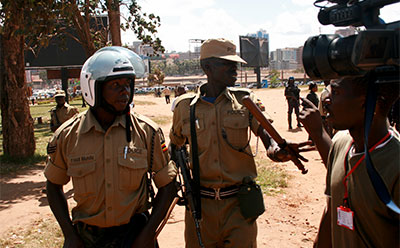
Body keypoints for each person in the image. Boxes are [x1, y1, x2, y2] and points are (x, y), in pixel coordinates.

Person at [170, 38, 312, 248]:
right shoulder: (184, 107)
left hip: (239, 206)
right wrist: (178, 182)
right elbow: (175, 146)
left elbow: (266, 134)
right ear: (207, 67)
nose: (234, 68)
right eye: (227, 63)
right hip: (200, 208)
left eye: (235, 63)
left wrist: (277, 150)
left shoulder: (245, 100)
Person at [45, 47, 177, 248]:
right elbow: (53, 186)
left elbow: (168, 186)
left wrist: (147, 235)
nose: (124, 91)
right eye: (115, 85)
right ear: (93, 89)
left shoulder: (147, 132)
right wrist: (70, 236)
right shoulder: (68, 135)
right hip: (88, 238)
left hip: (135, 234)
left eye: (127, 84)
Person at [299, 74, 400, 248]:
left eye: (336, 92)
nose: (327, 98)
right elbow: (332, 208)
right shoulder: (341, 142)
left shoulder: (395, 163)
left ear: (366, 103)